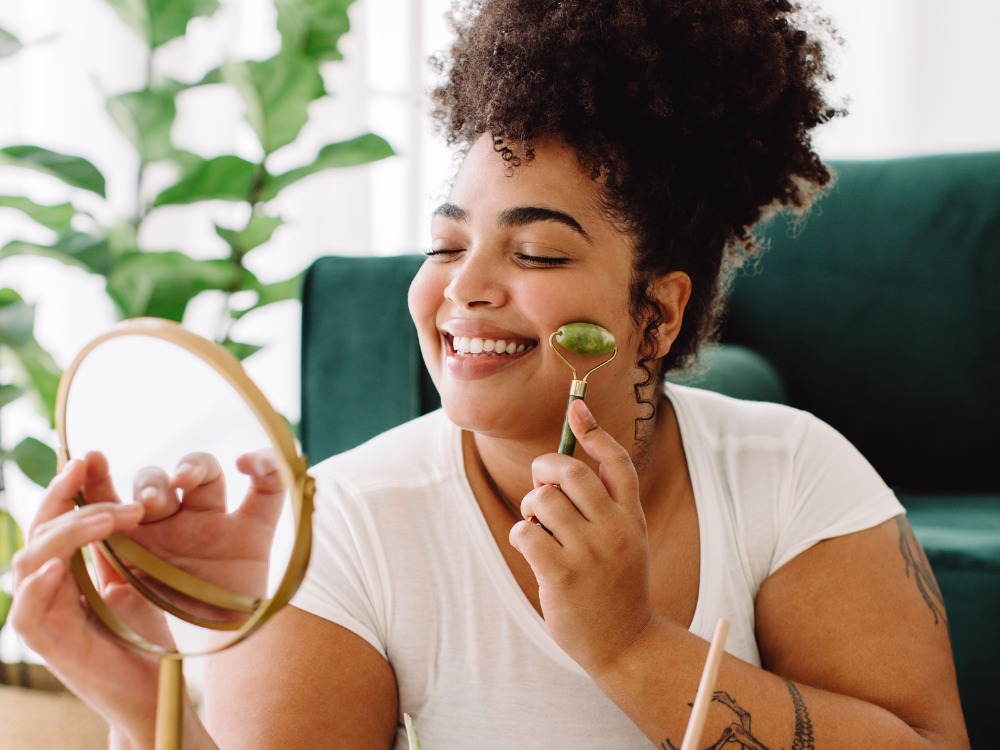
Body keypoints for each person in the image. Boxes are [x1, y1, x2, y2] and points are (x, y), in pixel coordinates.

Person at [11, 0, 969, 747]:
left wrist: (628, 645)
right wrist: (144, 709)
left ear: (658, 312)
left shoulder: (792, 472)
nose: (463, 288)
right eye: (444, 243)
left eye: (539, 256)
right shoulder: (343, 523)